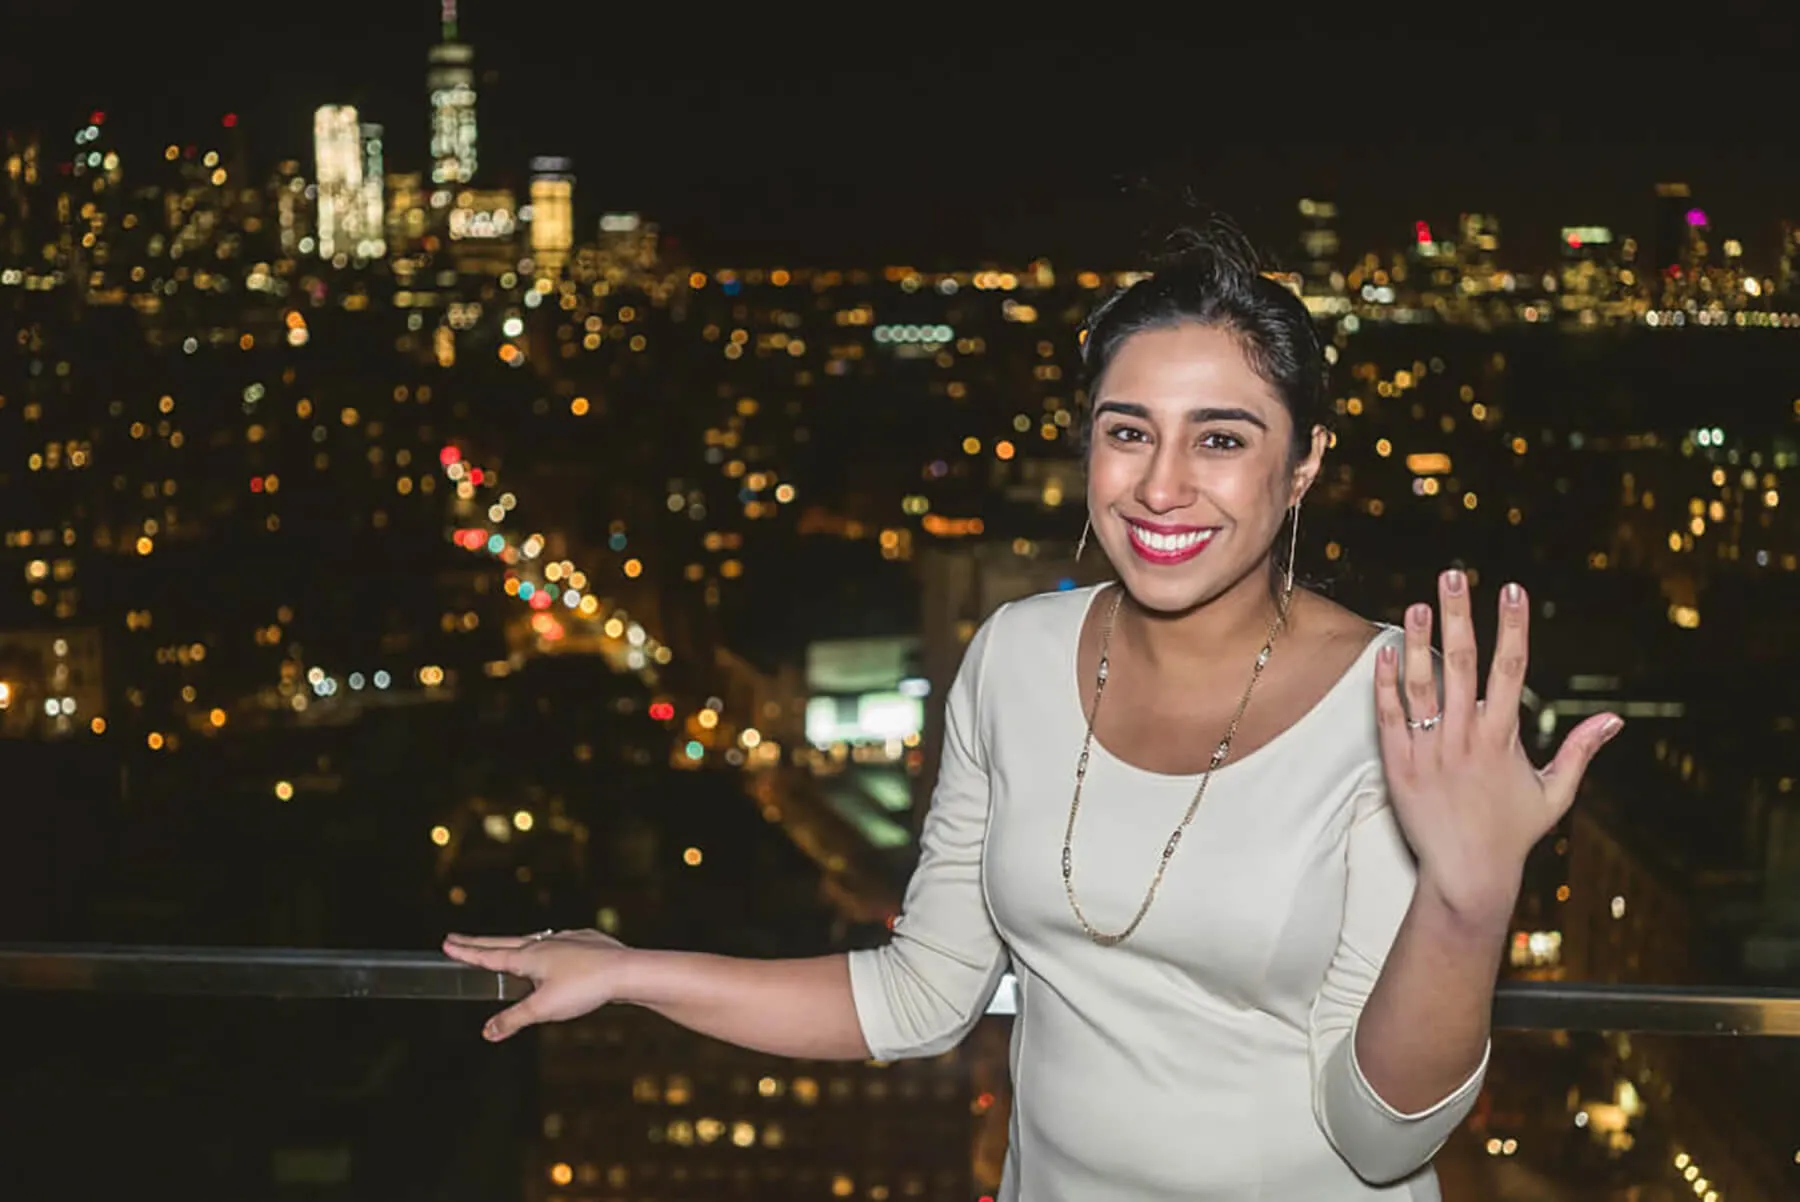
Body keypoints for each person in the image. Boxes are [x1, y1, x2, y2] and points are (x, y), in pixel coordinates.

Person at [443, 219, 1623, 1200]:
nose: (1162, 485)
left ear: (1305, 463)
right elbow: (917, 995)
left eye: (1222, 438)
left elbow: (1381, 1139)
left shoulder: (1395, 709)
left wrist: (1471, 901)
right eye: (1128, 432)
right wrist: (631, 967)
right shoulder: (1013, 657)